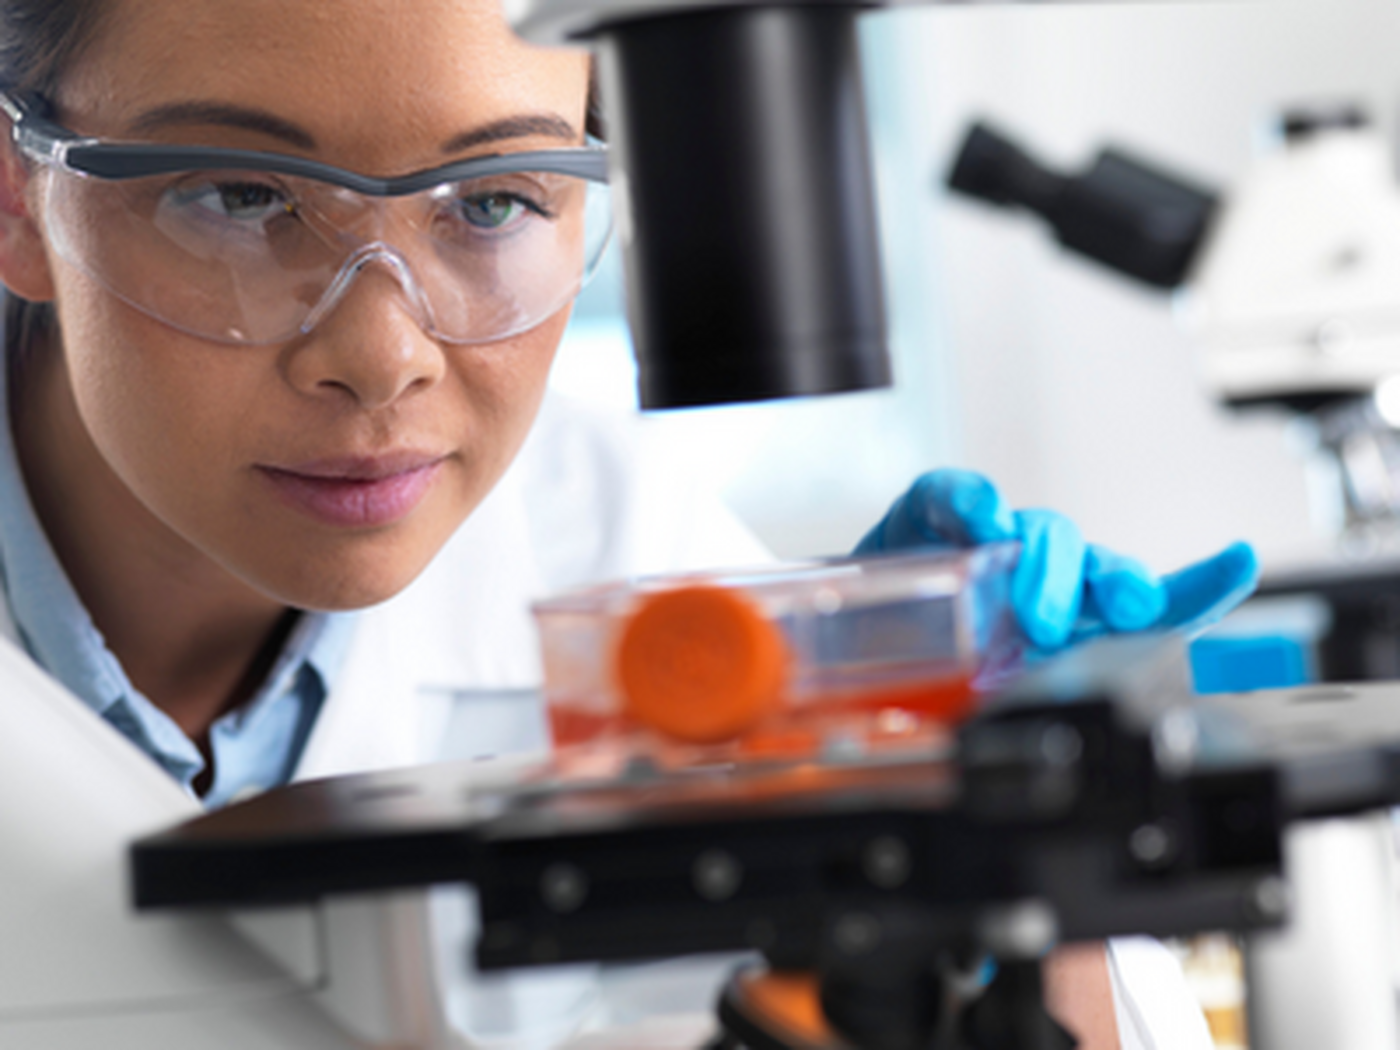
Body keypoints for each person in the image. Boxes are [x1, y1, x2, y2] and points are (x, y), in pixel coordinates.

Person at [0, 0, 1255, 1047]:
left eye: (491, 203)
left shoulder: (622, 560)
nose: (381, 359)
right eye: (237, 195)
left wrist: (1007, 856)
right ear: (17, 199)